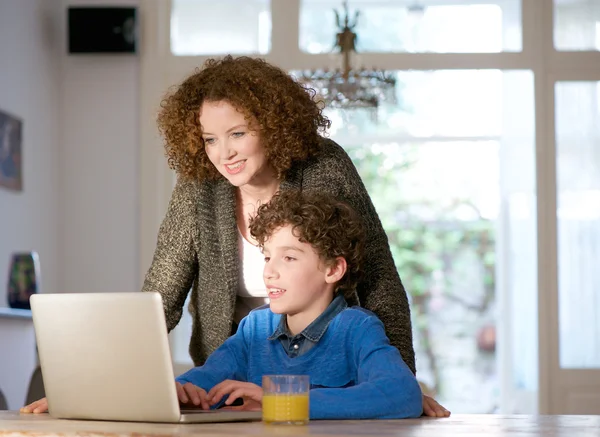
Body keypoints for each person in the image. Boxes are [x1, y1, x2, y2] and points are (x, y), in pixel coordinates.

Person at [21, 55, 449, 416]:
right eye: (209, 139)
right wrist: (99, 389)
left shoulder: (325, 167)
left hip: (332, 373)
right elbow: (160, 297)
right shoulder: (199, 186)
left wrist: (398, 383)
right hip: (235, 377)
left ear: (274, 125)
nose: (223, 153)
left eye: (238, 133)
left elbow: (378, 277)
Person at [176, 190, 423, 419]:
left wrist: (281, 402)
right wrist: (180, 392)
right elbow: (204, 380)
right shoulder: (255, 328)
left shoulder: (357, 329)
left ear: (333, 269)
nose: (269, 271)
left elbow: (403, 394)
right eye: (268, 257)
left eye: (289, 258)